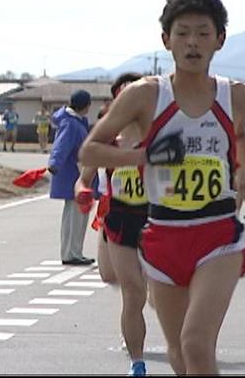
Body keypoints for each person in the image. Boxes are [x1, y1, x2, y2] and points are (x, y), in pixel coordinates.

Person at [78, 0, 245, 375]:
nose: (193, 42)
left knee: (195, 341)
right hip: (163, 233)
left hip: (218, 233)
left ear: (220, 39)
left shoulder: (237, 96)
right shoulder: (144, 96)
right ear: (166, 40)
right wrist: (144, 156)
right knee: (178, 352)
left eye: (203, 33)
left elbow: (238, 135)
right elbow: (89, 152)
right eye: (183, 32)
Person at [75, 72, 149, 376]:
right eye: (123, 95)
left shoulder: (161, 137)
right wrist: (83, 193)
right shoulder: (108, 143)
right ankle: (138, 362)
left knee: (158, 291)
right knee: (131, 290)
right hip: (120, 217)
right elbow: (83, 179)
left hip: (159, 219)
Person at [48, 89, 94, 266]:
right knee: (75, 216)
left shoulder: (74, 121)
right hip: (73, 176)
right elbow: (61, 146)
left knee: (76, 215)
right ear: (87, 105)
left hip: (77, 176)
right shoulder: (71, 123)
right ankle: (71, 253)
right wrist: (54, 163)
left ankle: (74, 251)